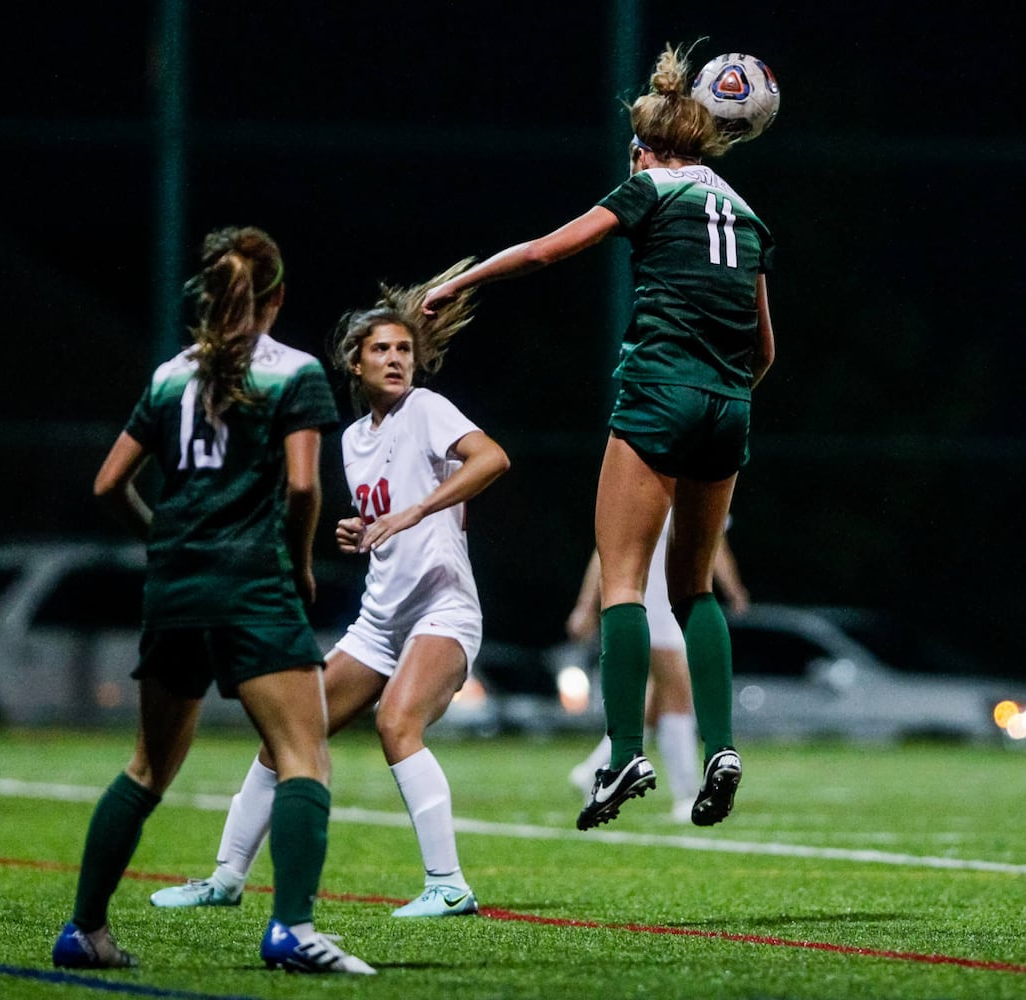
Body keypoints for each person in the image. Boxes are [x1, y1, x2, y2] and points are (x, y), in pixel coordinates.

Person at [423, 43, 775, 830]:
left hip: (658, 391)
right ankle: (720, 747)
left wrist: (460, 281)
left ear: (643, 144)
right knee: (695, 590)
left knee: (622, 580)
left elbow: (549, 249)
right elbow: (766, 350)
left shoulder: (649, 187)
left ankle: (622, 754)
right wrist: (718, 402)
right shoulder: (748, 216)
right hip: (729, 406)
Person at [50, 226, 374, 975]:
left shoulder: (171, 376)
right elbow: (301, 485)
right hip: (252, 584)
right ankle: (292, 929)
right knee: (304, 758)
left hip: (174, 589)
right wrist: (298, 564)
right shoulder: (293, 373)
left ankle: (84, 930)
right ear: (276, 297)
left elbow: (107, 484)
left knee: (146, 769)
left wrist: (161, 537)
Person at [148, 261, 509, 918]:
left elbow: (492, 458)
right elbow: (387, 509)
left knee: (397, 722)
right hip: (379, 620)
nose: (397, 360)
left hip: (442, 607)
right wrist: (367, 528)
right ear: (354, 363)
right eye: (382, 350)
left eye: (404, 349)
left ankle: (449, 882)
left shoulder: (426, 408)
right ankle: (227, 877)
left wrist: (414, 513)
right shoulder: (352, 439)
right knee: (289, 735)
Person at [565, 525, 750, 822]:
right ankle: (686, 793)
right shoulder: (650, 485)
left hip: (669, 599)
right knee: (678, 692)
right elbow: (607, 550)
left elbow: (713, 541)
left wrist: (734, 589)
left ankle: (596, 770)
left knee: (657, 700)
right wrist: (585, 607)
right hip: (651, 601)